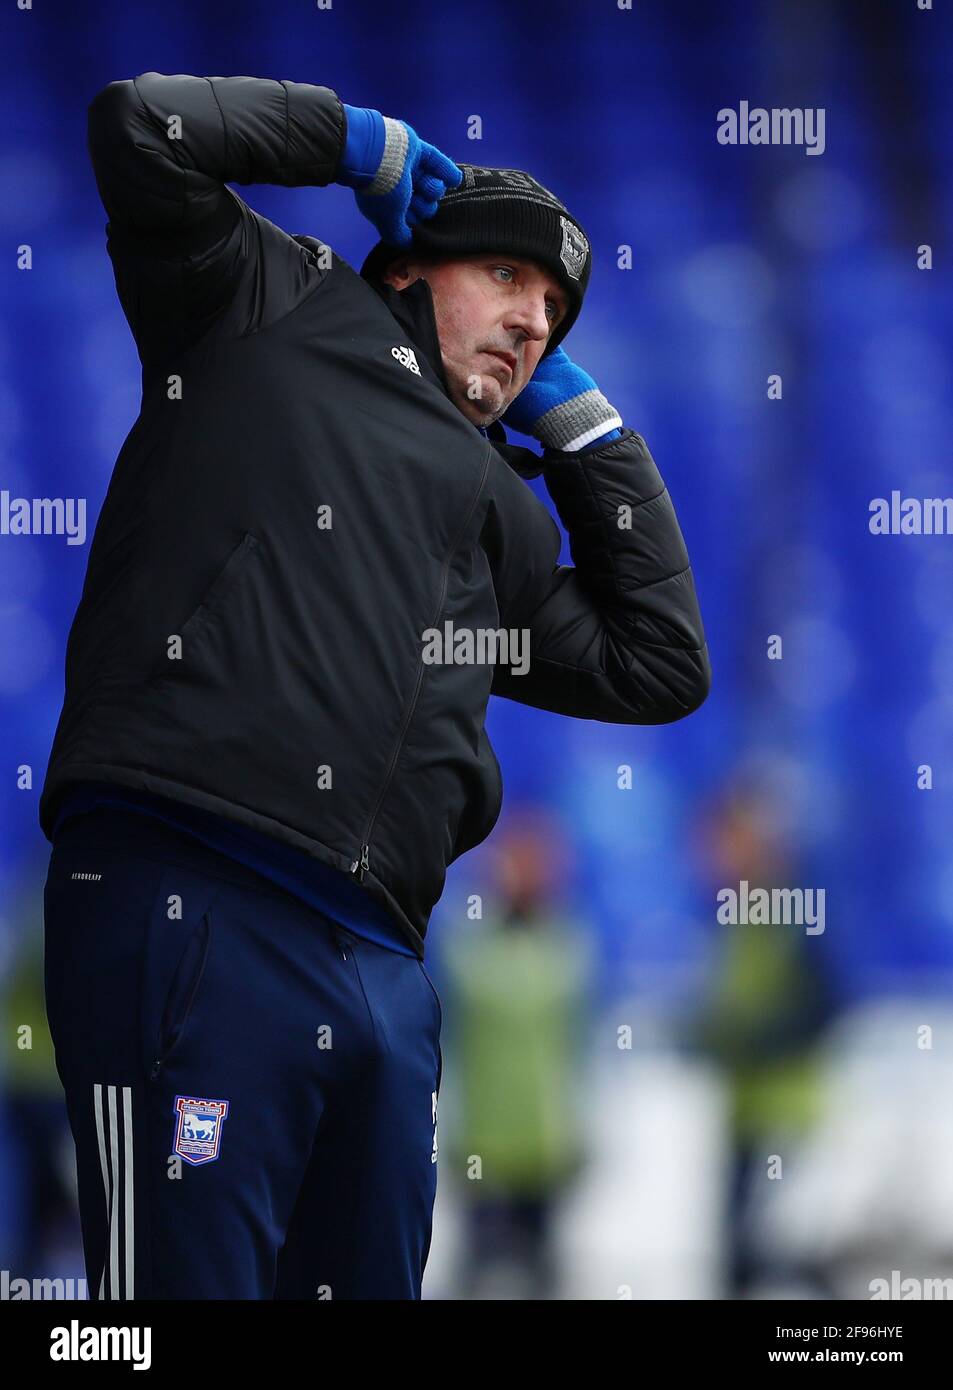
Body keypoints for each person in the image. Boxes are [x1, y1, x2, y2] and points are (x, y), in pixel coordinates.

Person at [40, 72, 710, 1300]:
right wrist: (361, 143)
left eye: (554, 312)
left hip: (385, 967)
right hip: (196, 889)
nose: (532, 323)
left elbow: (658, 663)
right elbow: (142, 124)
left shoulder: (503, 512)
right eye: (505, 277)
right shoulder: (264, 303)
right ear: (408, 266)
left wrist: (588, 432)